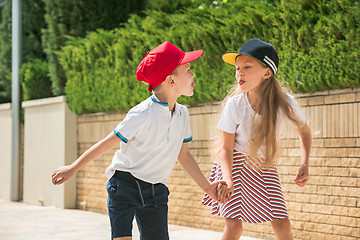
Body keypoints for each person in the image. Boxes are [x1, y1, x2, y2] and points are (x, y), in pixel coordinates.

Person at [51, 41, 226, 240]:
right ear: (171, 80)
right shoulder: (142, 113)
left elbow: (183, 155)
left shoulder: (182, 114)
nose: (193, 74)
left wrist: (207, 187)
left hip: (156, 191)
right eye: (187, 70)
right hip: (125, 185)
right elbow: (108, 142)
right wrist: (73, 168)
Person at [202, 38, 312, 240]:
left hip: (264, 164)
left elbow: (305, 132)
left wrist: (304, 163)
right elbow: (225, 149)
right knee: (234, 226)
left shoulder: (286, 103)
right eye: (237, 68)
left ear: (266, 73)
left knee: (282, 222)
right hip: (232, 165)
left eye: (247, 67)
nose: (239, 73)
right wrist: (228, 179)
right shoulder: (235, 105)